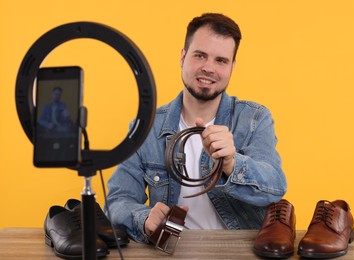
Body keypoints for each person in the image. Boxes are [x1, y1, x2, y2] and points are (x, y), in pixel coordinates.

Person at [106, 13, 287, 243]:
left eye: (221, 60)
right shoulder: (147, 128)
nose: (208, 68)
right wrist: (144, 219)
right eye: (200, 56)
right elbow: (116, 202)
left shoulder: (254, 118)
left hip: (239, 252)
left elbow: (275, 187)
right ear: (182, 57)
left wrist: (232, 164)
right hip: (171, 251)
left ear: (232, 66)